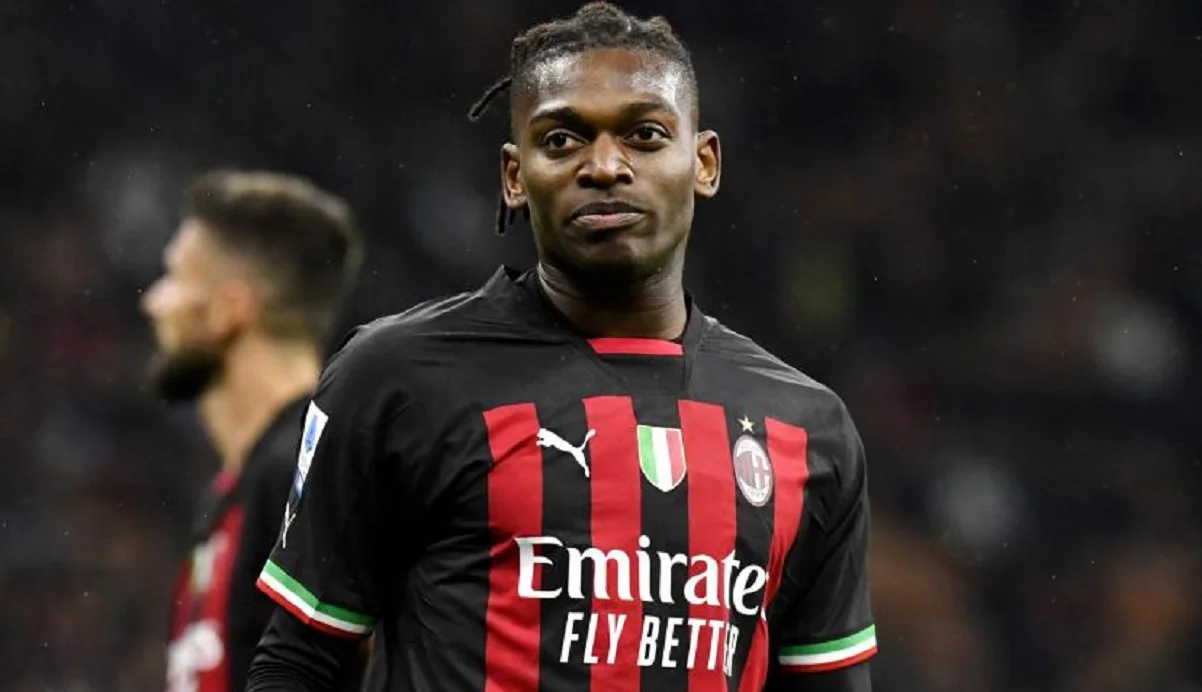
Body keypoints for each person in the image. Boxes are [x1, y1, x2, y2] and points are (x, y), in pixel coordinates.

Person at [246, 3, 875, 691]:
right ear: (515, 177)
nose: (604, 166)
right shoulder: (394, 379)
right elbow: (298, 663)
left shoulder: (808, 428)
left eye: (644, 134)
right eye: (562, 140)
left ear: (703, 162)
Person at [142, 170, 365, 692]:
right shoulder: (238, 489)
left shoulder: (313, 472)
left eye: (174, 277)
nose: (154, 301)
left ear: (230, 309)